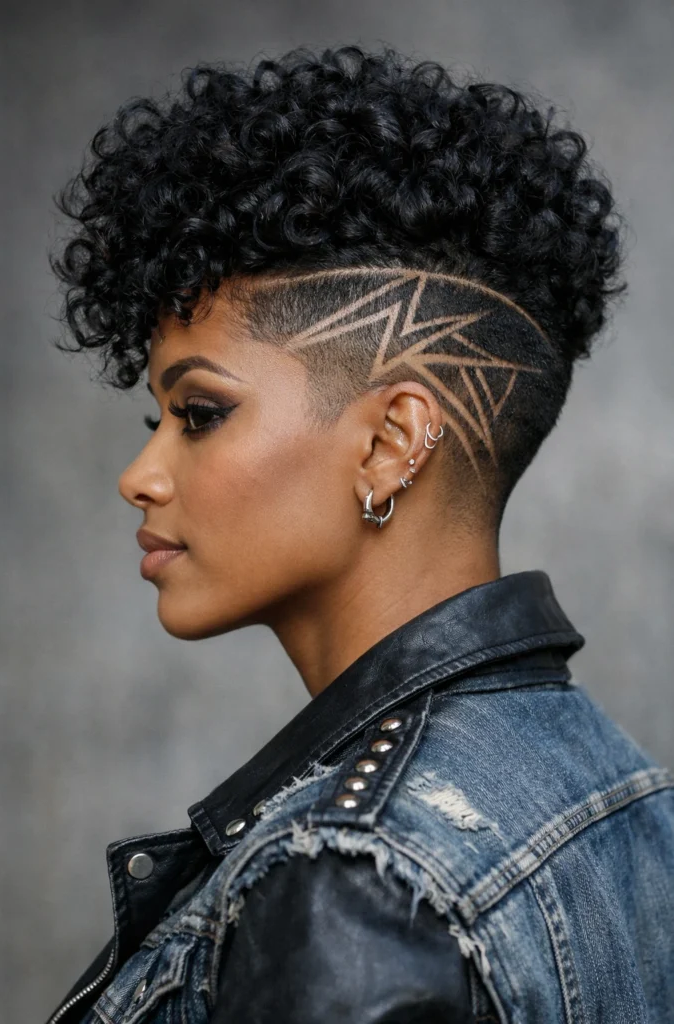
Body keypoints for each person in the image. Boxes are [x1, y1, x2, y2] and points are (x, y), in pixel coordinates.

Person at [45, 44, 674, 1024]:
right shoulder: (635, 796)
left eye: (199, 413)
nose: (141, 475)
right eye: (151, 424)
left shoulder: (351, 889)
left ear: (388, 444)